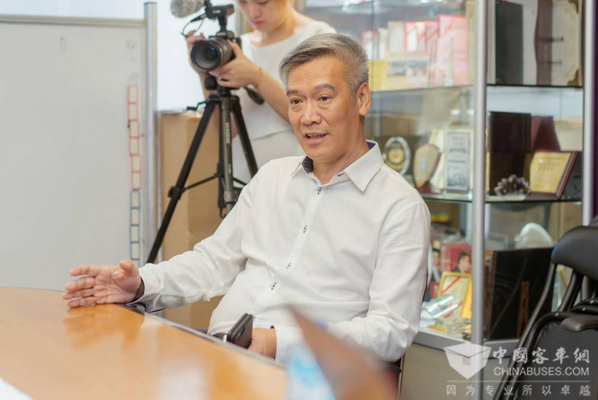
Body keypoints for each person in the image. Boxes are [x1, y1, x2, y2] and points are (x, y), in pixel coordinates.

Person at [63, 34, 430, 364]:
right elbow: (212, 263)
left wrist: (279, 343)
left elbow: (390, 331)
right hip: (222, 358)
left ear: (362, 98)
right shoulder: (272, 177)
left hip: (309, 378)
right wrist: (140, 284)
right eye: (296, 101)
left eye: (323, 98)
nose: (307, 117)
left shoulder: (399, 207)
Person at [186, 0, 335, 184]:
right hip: (243, 181)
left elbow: (319, 117)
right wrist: (204, 74)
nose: (252, 13)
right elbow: (227, 131)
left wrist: (258, 78)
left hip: (300, 179)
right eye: (243, 3)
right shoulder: (238, 47)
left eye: (262, 2)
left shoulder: (318, 37)